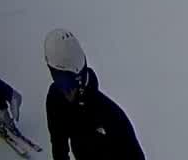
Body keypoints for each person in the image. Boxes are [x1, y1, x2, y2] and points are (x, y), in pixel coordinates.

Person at [43, 29, 143, 160]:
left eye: (67, 84)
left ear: (79, 79)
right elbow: (58, 144)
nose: (65, 92)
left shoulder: (112, 118)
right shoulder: (56, 99)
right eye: (57, 80)